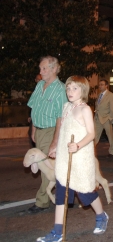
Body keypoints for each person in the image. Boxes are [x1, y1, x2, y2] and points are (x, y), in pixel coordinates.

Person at [36, 76, 108, 242]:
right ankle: (57, 232)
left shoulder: (85, 109)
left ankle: (101, 215)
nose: (70, 91)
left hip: (81, 159)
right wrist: (55, 146)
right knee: (61, 194)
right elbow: (62, 129)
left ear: (83, 90)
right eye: (68, 88)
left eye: (74, 88)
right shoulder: (66, 107)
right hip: (64, 158)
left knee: (85, 194)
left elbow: (91, 134)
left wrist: (77, 145)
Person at [27, 56, 68, 214]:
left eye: (44, 68)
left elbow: (60, 117)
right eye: (40, 68)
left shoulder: (60, 89)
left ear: (53, 69)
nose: (41, 71)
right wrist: (33, 129)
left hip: (52, 131)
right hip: (39, 130)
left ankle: (42, 201)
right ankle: (61, 191)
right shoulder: (40, 86)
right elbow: (33, 108)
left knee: (45, 169)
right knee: (49, 167)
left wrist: (55, 141)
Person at [94, 79, 113, 157]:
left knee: (110, 135)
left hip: (106, 118)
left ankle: (112, 151)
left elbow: (112, 108)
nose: (100, 86)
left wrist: (110, 118)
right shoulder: (99, 95)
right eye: (99, 84)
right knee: (95, 135)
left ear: (106, 86)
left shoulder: (110, 95)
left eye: (102, 84)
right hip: (98, 118)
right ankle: (91, 151)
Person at [28, 74, 42, 147]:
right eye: (37, 79)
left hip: (41, 118)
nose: (38, 81)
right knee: (31, 133)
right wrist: (29, 115)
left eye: (40, 79)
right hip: (34, 116)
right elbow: (32, 104)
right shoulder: (35, 89)